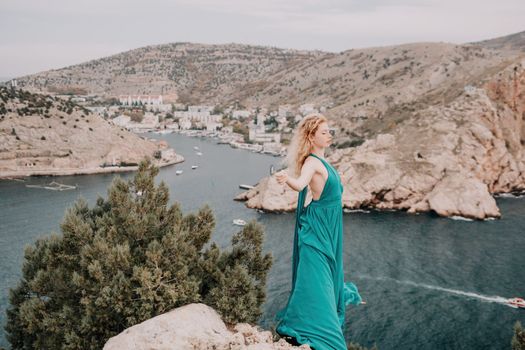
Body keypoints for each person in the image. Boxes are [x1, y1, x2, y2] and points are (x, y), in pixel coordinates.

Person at [273, 113, 363, 350]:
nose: (329, 135)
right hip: (317, 233)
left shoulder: (324, 162)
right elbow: (301, 184)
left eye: (329, 131)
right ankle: (327, 340)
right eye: (324, 132)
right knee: (317, 284)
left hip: (329, 230)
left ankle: (306, 328)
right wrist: (286, 179)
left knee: (321, 282)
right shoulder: (312, 162)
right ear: (311, 137)